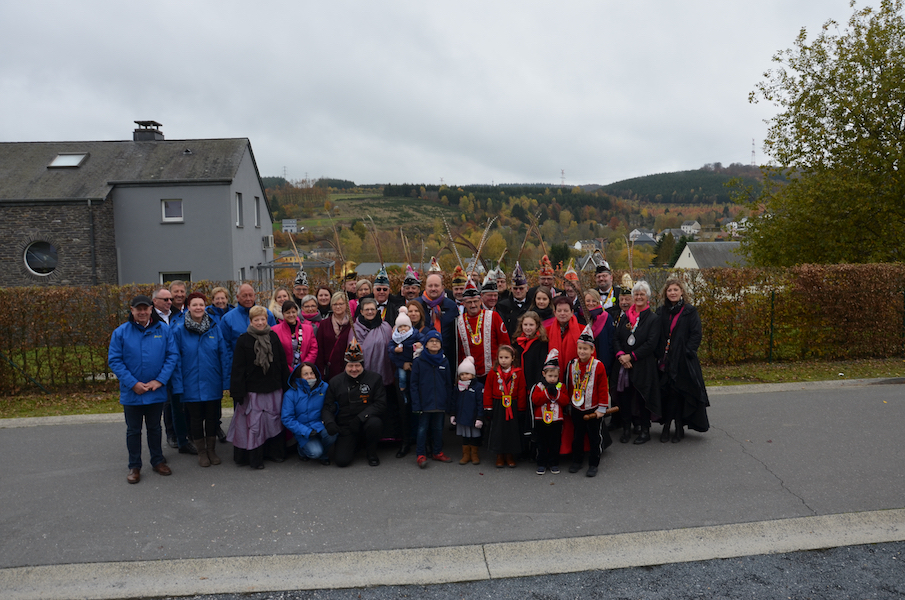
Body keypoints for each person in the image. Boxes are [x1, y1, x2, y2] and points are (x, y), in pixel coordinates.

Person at [107, 295, 178, 484]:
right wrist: (133, 383)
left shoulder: (163, 330)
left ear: (151, 309)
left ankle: (157, 461)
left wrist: (159, 381)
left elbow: (172, 356)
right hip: (132, 392)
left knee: (155, 428)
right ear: (132, 310)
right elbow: (115, 360)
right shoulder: (121, 332)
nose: (142, 312)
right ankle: (134, 466)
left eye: (145, 308)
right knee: (133, 430)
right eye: (138, 309)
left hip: (155, 391)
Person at [170, 292, 230, 467]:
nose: (198, 308)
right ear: (188, 307)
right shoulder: (179, 330)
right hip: (190, 382)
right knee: (195, 419)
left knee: (212, 418)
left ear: (205, 307)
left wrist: (226, 381)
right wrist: (178, 385)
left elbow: (223, 355)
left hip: (212, 381)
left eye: (201, 305)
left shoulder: (214, 327)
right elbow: (175, 359)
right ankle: (201, 452)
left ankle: (211, 450)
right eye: (194, 305)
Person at [227, 306, 290, 469]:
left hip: (273, 387)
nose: (260, 322)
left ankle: (274, 452)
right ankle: (254, 457)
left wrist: (286, 384)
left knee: (273, 420)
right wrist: (237, 391)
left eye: (263, 319)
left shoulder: (273, 336)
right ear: (251, 321)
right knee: (254, 424)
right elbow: (238, 367)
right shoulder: (243, 340)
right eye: (256, 320)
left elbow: (282, 362)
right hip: (252, 390)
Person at [658, 278, 710, 443]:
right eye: (669, 290)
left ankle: (679, 426)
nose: (672, 293)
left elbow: (696, 333)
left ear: (682, 292)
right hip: (665, 360)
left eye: (675, 290)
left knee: (680, 393)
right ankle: (666, 426)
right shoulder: (661, 311)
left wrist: (688, 351)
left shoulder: (690, 311)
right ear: (665, 293)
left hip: (683, 361)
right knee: (667, 394)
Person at [321, 338, 387, 467]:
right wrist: (329, 423)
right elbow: (328, 406)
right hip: (346, 425)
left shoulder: (375, 379)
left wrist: (360, 418)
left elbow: (380, 404)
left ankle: (371, 452)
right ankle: (355, 444)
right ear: (345, 366)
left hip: (366, 420)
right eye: (350, 366)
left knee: (375, 423)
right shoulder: (335, 382)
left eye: (357, 365)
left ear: (362, 365)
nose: (354, 369)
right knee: (341, 461)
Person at [611, 281, 662, 445]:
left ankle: (645, 430)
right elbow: (616, 338)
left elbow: (651, 343)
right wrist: (621, 355)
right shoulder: (625, 316)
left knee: (642, 398)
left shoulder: (653, 318)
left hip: (643, 365)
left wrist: (631, 357)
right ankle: (626, 429)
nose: (639, 297)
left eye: (642, 294)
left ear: (648, 297)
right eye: (636, 294)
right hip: (624, 365)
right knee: (625, 398)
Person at [565, 324, 611, 477]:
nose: (582, 351)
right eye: (580, 348)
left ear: (592, 350)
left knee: (594, 438)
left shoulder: (598, 366)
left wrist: (602, 408)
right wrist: (569, 405)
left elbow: (603, 388)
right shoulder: (572, 365)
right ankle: (577, 461)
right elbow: (569, 386)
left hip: (593, 409)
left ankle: (593, 463)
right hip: (576, 408)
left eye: (585, 349)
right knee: (577, 437)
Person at [410, 330, 454, 468]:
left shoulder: (444, 361)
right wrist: (416, 404)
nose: (434, 343)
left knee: (439, 428)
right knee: (422, 429)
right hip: (424, 403)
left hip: (440, 402)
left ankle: (437, 452)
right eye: (431, 341)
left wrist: (448, 402)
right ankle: (420, 454)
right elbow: (414, 384)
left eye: (437, 341)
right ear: (426, 344)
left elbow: (448, 383)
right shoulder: (419, 361)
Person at [456, 277, 511, 381]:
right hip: (469, 375)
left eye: (475, 301)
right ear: (464, 303)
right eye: (469, 302)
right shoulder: (458, 321)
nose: (473, 305)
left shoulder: (493, 316)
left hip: (494, 372)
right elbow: (458, 351)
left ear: (480, 301)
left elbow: (504, 343)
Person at [281, 362, 333, 464]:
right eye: (305, 374)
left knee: (332, 434)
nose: (309, 376)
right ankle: (302, 451)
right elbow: (287, 418)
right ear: (299, 376)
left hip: (319, 424)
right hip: (302, 428)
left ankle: (323, 454)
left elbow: (332, 406)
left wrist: (328, 422)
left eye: (311, 373)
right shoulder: (290, 394)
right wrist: (306, 431)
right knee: (315, 452)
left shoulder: (324, 387)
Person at [219, 283, 277, 371]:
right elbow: (225, 347)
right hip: (240, 367)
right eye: (244, 296)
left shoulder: (267, 314)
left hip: (265, 367)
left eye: (250, 295)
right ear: (237, 297)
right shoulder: (227, 319)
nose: (248, 299)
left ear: (255, 296)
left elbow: (274, 340)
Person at [486, 345, 526, 468]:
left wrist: (521, 408)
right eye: (501, 357)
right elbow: (488, 390)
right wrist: (488, 407)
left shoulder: (518, 372)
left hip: (512, 404)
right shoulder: (493, 372)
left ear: (513, 358)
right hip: (498, 404)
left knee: (511, 431)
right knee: (498, 430)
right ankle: (499, 455)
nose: (503, 360)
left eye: (506, 357)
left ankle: (509, 455)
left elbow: (521, 390)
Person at [530, 349, 568, 475]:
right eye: (550, 376)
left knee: (554, 443)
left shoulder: (561, 386)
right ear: (544, 374)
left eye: (555, 376)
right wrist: (547, 393)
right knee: (542, 443)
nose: (552, 379)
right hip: (541, 419)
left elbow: (565, 401)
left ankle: (553, 463)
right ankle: (541, 463)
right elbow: (535, 400)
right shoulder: (539, 386)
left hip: (556, 420)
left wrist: (556, 394)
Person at [418, 272, 459, 365]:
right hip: (421, 358)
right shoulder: (417, 305)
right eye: (430, 286)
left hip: (446, 357)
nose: (433, 288)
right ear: (425, 287)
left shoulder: (451, 306)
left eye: (436, 285)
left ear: (442, 287)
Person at [450, 356, 484, 465]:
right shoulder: (457, 388)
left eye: (467, 373)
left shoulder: (478, 387)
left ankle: (474, 454)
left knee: (474, 436)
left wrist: (480, 417)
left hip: (473, 417)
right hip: (462, 417)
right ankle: (466, 454)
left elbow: (480, 403)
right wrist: (453, 414)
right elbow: (454, 401)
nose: (464, 376)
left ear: (472, 374)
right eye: (462, 374)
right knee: (465, 437)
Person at [315, 292, 353, 382]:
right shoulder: (324, 324)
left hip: (349, 368)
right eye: (335, 304)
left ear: (346, 305)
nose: (338, 307)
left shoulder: (353, 323)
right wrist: (321, 372)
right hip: (330, 369)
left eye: (341, 304)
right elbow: (320, 348)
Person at [273, 300, 318, 373]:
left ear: (297, 312)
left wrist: (304, 367)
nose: (291, 315)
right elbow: (276, 353)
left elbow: (313, 349)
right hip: (284, 371)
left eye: (293, 312)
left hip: (305, 370)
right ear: (283, 314)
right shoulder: (275, 330)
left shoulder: (308, 329)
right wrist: (288, 369)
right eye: (288, 312)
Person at [546, 296, 584, 373]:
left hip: (576, 372)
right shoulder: (547, 331)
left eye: (566, 311)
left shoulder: (582, 330)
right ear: (555, 313)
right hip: (553, 374)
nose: (562, 313)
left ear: (572, 312)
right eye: (559, 311)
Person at [584, 289, 616, 379]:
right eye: (588, 301)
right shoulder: (579, 317)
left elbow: (611, 340)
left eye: (594, 301)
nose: (591, 303)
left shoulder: (606, 317)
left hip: (603, 360)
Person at [495, 261, 530, 336]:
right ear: (511, 289)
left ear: (527, 288)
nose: (518, 291)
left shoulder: (532, 304)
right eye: (515, 288)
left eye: (521, 288)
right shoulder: (503, 306)